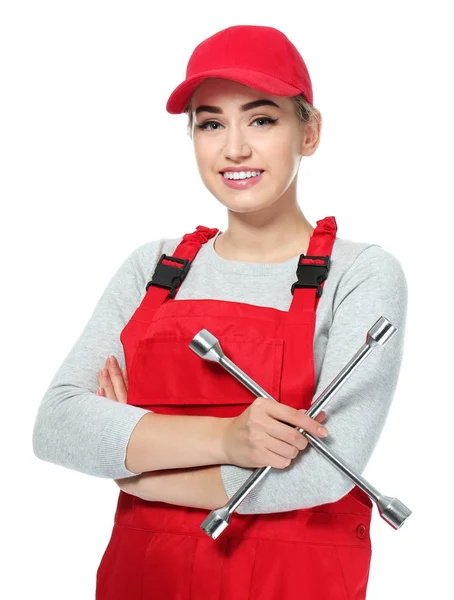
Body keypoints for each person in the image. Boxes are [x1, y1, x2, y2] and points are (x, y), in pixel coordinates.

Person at [32, 24, 408, 600]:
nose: (234, 148)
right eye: (211, 123)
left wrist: (137, 470)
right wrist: (231, 440)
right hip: (143, 581)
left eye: (262, 119)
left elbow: (325, 471)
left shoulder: (360, 275)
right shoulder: (152, 268)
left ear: (309, 133)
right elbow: (58, 426)